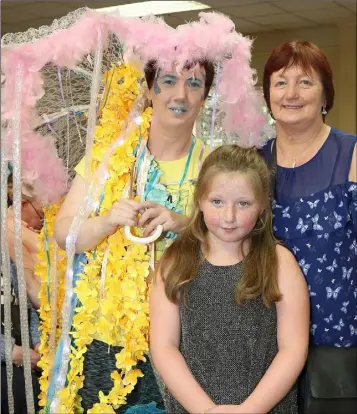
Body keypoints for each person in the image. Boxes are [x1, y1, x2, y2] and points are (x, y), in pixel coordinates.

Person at [150, 145, 310, 413]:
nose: (229, 217)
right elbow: (164, 347)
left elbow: (292, 349)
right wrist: (206, 410)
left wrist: (250, 410)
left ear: (262, 207)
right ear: (200, 200)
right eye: (217, 202)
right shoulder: (174, 262)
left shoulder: (280, 263)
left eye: (243, 204)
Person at [260, 40, 357, 348]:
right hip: (265, 346)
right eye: (280, 83)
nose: (291, 94)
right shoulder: (250, 163)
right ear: (268, 95)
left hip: (340, 347)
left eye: (304, 82)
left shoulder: (352, 154)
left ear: (325, 94)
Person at [1, 261, 41, 414]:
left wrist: (38, 342)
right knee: (24, 387)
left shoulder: (7, 262)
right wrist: (10, 351)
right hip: (6, 359)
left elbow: (28, 310)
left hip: (23, 355)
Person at [7, 178, 43, 309]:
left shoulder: (20, 228)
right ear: (22, 204)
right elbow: (29, 285)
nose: (42, 220)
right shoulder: (10, 228)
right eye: (40, 214)